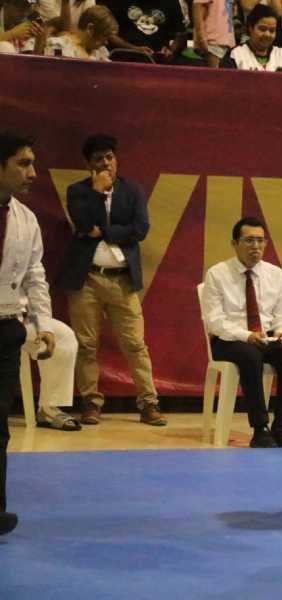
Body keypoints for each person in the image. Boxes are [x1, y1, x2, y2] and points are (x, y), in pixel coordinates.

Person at [60, 134, 166, 427]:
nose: (106, 163)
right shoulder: (77, 191)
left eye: (110, 157)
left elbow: (140, 229)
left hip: (122, 280)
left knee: (135, 344)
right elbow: (82, 224)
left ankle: (149, 403)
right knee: (86, 344)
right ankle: (91, 404)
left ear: (116, 158)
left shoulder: (133, 190)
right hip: (86, 280)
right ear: (88, 165)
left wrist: (104, 231)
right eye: (99, 159)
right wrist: (97, 193)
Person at [0, 131, 57, 536]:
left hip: (5, 327)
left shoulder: (25, 218)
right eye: (23, 163)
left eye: (33, 163)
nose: (32, 172)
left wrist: (44, 325)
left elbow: (36, 277)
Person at [202, 217, 282, 448]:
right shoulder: (218, 274)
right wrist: (247, 335)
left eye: (260, 240)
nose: (255, 246)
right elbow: (215, 321)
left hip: (266, 337)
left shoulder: (275, 274)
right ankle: (260, 427)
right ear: (234, 243)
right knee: (250, 355)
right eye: (249, 240)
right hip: (229, 340)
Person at [30, 319, 80, 431]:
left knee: (64, 334)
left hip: (17, 318)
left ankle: (48, 408)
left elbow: (39, 303)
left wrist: (45, 329)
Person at [220, 4, 282, 70]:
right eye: (262, 29)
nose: (267, 34)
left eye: (272, 30)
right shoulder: (236, 54)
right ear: (250, 28)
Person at [43, 4, 117, 59]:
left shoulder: (100, 52)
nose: (106, 42)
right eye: (104, 35)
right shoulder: (58, 46)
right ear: (90, 29)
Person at [192, 0, 236, 67]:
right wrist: (201, 37)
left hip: (226, 40)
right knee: (214, 75)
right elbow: (198, 6)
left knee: (221, 75)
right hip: (212, 41)